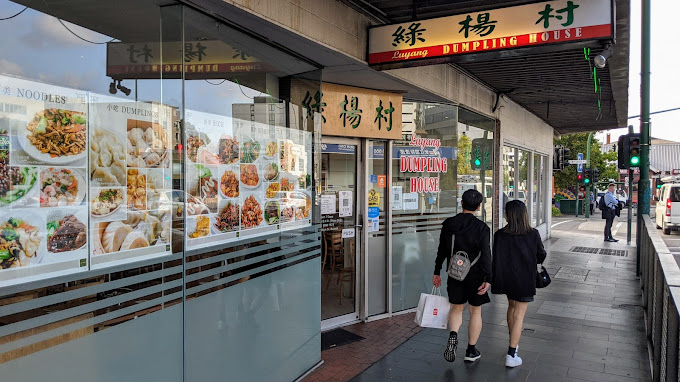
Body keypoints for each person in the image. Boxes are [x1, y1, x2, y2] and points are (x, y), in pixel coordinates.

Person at [433, 189, 491, 363]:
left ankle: (453, 334)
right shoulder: (482, 227)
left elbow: (442, 250)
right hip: (475, 275)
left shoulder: (449, 224)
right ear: (479, 207)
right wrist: (488, 278)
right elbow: (486, 254)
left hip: (454, 273)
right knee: (475, 311)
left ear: (461, 203)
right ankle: (471, 350)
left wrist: (437, 271)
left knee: (457, 308)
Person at [491, 200, 547, 368]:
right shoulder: (533, 234)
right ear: (524, 214)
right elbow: (541, 255)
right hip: (524, 279)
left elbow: (497, 257)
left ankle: (513, 341)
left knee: (511, 307)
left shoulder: (500, 234)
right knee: (519, 315)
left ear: (508, 215)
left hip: (506, 278)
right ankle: (512, 353)